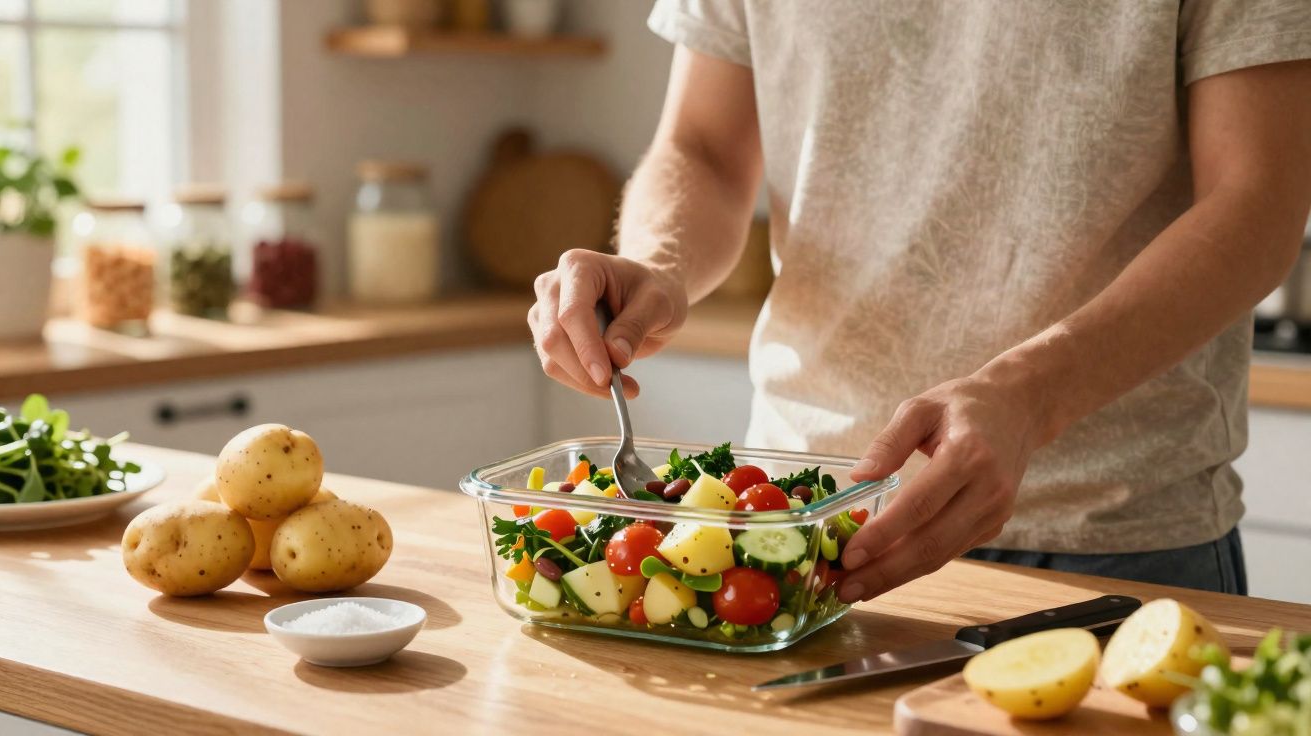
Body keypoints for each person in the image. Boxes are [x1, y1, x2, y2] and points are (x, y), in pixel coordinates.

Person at [527, 1, 1311, 602]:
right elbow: (703, 144)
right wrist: (657, 264)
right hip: (800, 518)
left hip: (1113, 536)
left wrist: (1031, 396)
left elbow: (1259, 201)